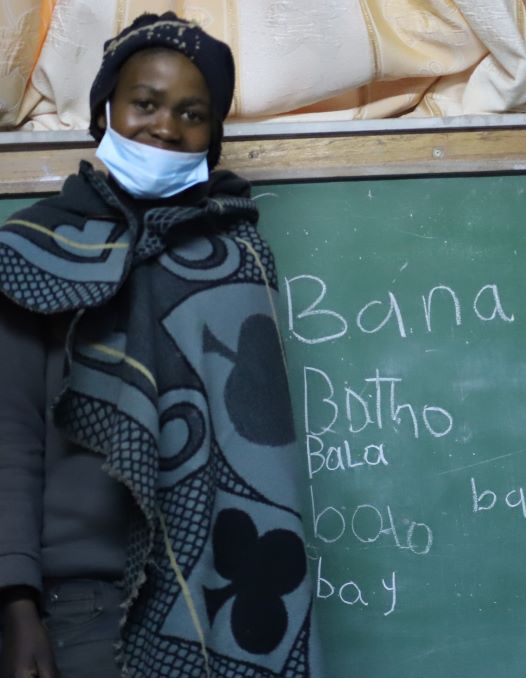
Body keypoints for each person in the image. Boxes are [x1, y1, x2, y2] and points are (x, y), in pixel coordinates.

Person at [0, 13, 322, 677]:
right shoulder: (30, 254)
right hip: (80, 610)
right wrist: (16, 603)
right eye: (145, 104)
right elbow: (9, 436)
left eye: (192, 113)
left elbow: (262, 460)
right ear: (104, 111)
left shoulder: (240, 260)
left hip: (223, 605)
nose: (166, 128)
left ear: (213, 135)